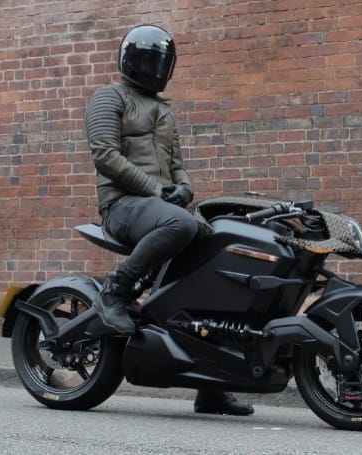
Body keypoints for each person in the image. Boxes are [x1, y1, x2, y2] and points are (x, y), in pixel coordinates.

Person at [84, 24, 253, 416]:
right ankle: (116, 291)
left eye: (157, 60)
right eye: (144, 59)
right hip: (122, 205)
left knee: (220, 251)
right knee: (181, 225)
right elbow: (104, 155)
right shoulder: (108, 98)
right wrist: (158, 192)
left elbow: (178, 165)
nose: (150, 66)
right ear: (128, 59)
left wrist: (185, 189)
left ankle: (210, 387)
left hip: (162, 207)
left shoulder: (164, 110)